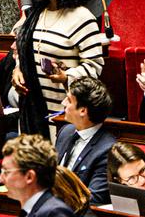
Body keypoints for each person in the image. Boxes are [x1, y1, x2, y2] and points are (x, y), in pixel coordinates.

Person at [12, 0, 107, 137]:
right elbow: (23, 53)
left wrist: (66, 76)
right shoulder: (36, 14)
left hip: (63, 115)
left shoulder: (82, 18)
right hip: (31, 113)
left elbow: (95, 67)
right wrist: (18, 69)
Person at [52, 77, 116, 205]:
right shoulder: (66, 132)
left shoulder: (107, 150)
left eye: (69, 100)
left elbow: (94, 199)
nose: (63, 103)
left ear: (83, 111)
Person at [0, 134, 82, 217]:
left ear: (29, 177)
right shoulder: (28, 210)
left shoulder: (55, 213)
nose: (0, 179)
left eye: (6, 172)